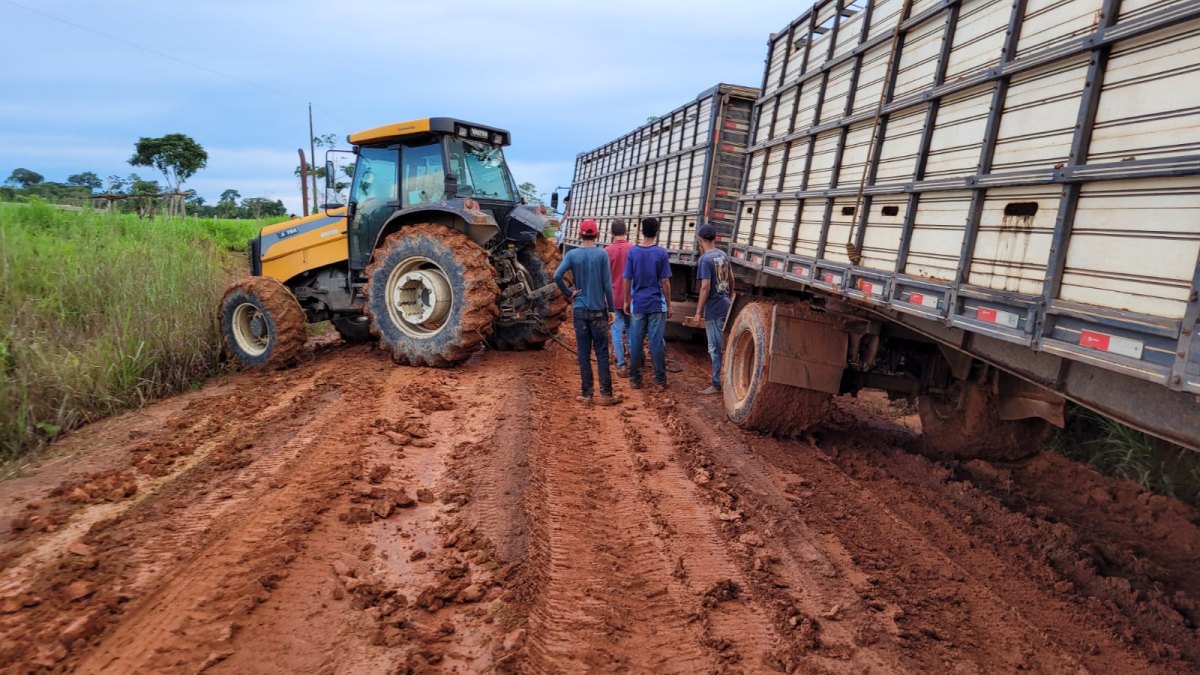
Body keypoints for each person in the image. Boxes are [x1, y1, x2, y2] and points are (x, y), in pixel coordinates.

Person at [554, 219, 621, 405]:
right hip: (599, 311)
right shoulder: (601, 254)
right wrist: (611, 309)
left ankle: (586, 394)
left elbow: (557, 275)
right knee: (601, 352)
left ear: (580, 235)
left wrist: (569, 293)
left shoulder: (573, 254)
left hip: (580, 310)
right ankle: (606, 394)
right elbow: (607, 284)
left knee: (583, 352)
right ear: (597, 235)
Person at [624, 217, 672, 389]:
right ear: (657, 232)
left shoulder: (633, 252)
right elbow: (665, 281)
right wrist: (669, 303)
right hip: (656, 304)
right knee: (656, 342)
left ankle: (635, 378)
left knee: (635, 342)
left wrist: (626, 301)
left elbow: (627, 279)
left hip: (638, 303)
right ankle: (660, 380)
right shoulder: (661, 253)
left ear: (641, 231)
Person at [692, 224, 733, 395]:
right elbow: (731, 278)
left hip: (714, 309)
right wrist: (730, 296)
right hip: (726, 304)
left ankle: (717, 384)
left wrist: (698, 312)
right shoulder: (722, 255)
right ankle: (726, 380)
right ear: (714, 238)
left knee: (715, 348)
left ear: (700, 239)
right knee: (726, 346)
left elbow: (705, 287)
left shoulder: (705, 260)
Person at [605, 218, 633, 378]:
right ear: (626, 231)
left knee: (616, 329)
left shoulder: (607, 251)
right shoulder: (633, 249)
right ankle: (635, 361)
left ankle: (621, 364)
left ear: (611, 233)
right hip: (630, 297)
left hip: (613, 297)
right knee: (631, 329)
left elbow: (604, 277)